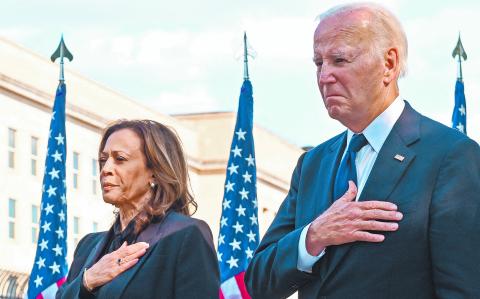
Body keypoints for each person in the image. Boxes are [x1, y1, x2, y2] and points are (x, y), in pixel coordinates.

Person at [245, 3, 480, 299]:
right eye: (319, 63)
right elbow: (257, 281)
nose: (324, 76)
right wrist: (314, 236)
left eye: (340, 59)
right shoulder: (312, 165)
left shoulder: (450, 156)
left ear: (389, 64)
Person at [57, 119, 219, 298]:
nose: (106, 169)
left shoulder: (187, 234)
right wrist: (88, 280)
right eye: (103, 160)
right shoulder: (87, 246)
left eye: (120, 159)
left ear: (155, 172)